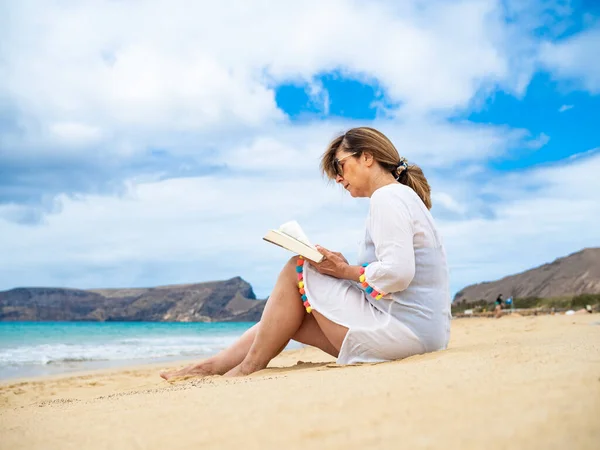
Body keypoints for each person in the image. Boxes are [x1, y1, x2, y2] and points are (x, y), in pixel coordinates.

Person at [160, 127, 451, 380]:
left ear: (367, 157)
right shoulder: (400, 197)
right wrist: (345, 268)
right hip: (423, 331)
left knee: (296, 266)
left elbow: (399, 274)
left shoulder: (387, 198)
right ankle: (214, 365)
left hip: (405, 332)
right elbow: (396, 274)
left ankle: (247, 367)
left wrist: (345, 271)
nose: (338, 178)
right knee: (289, 318)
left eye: (340, 167)